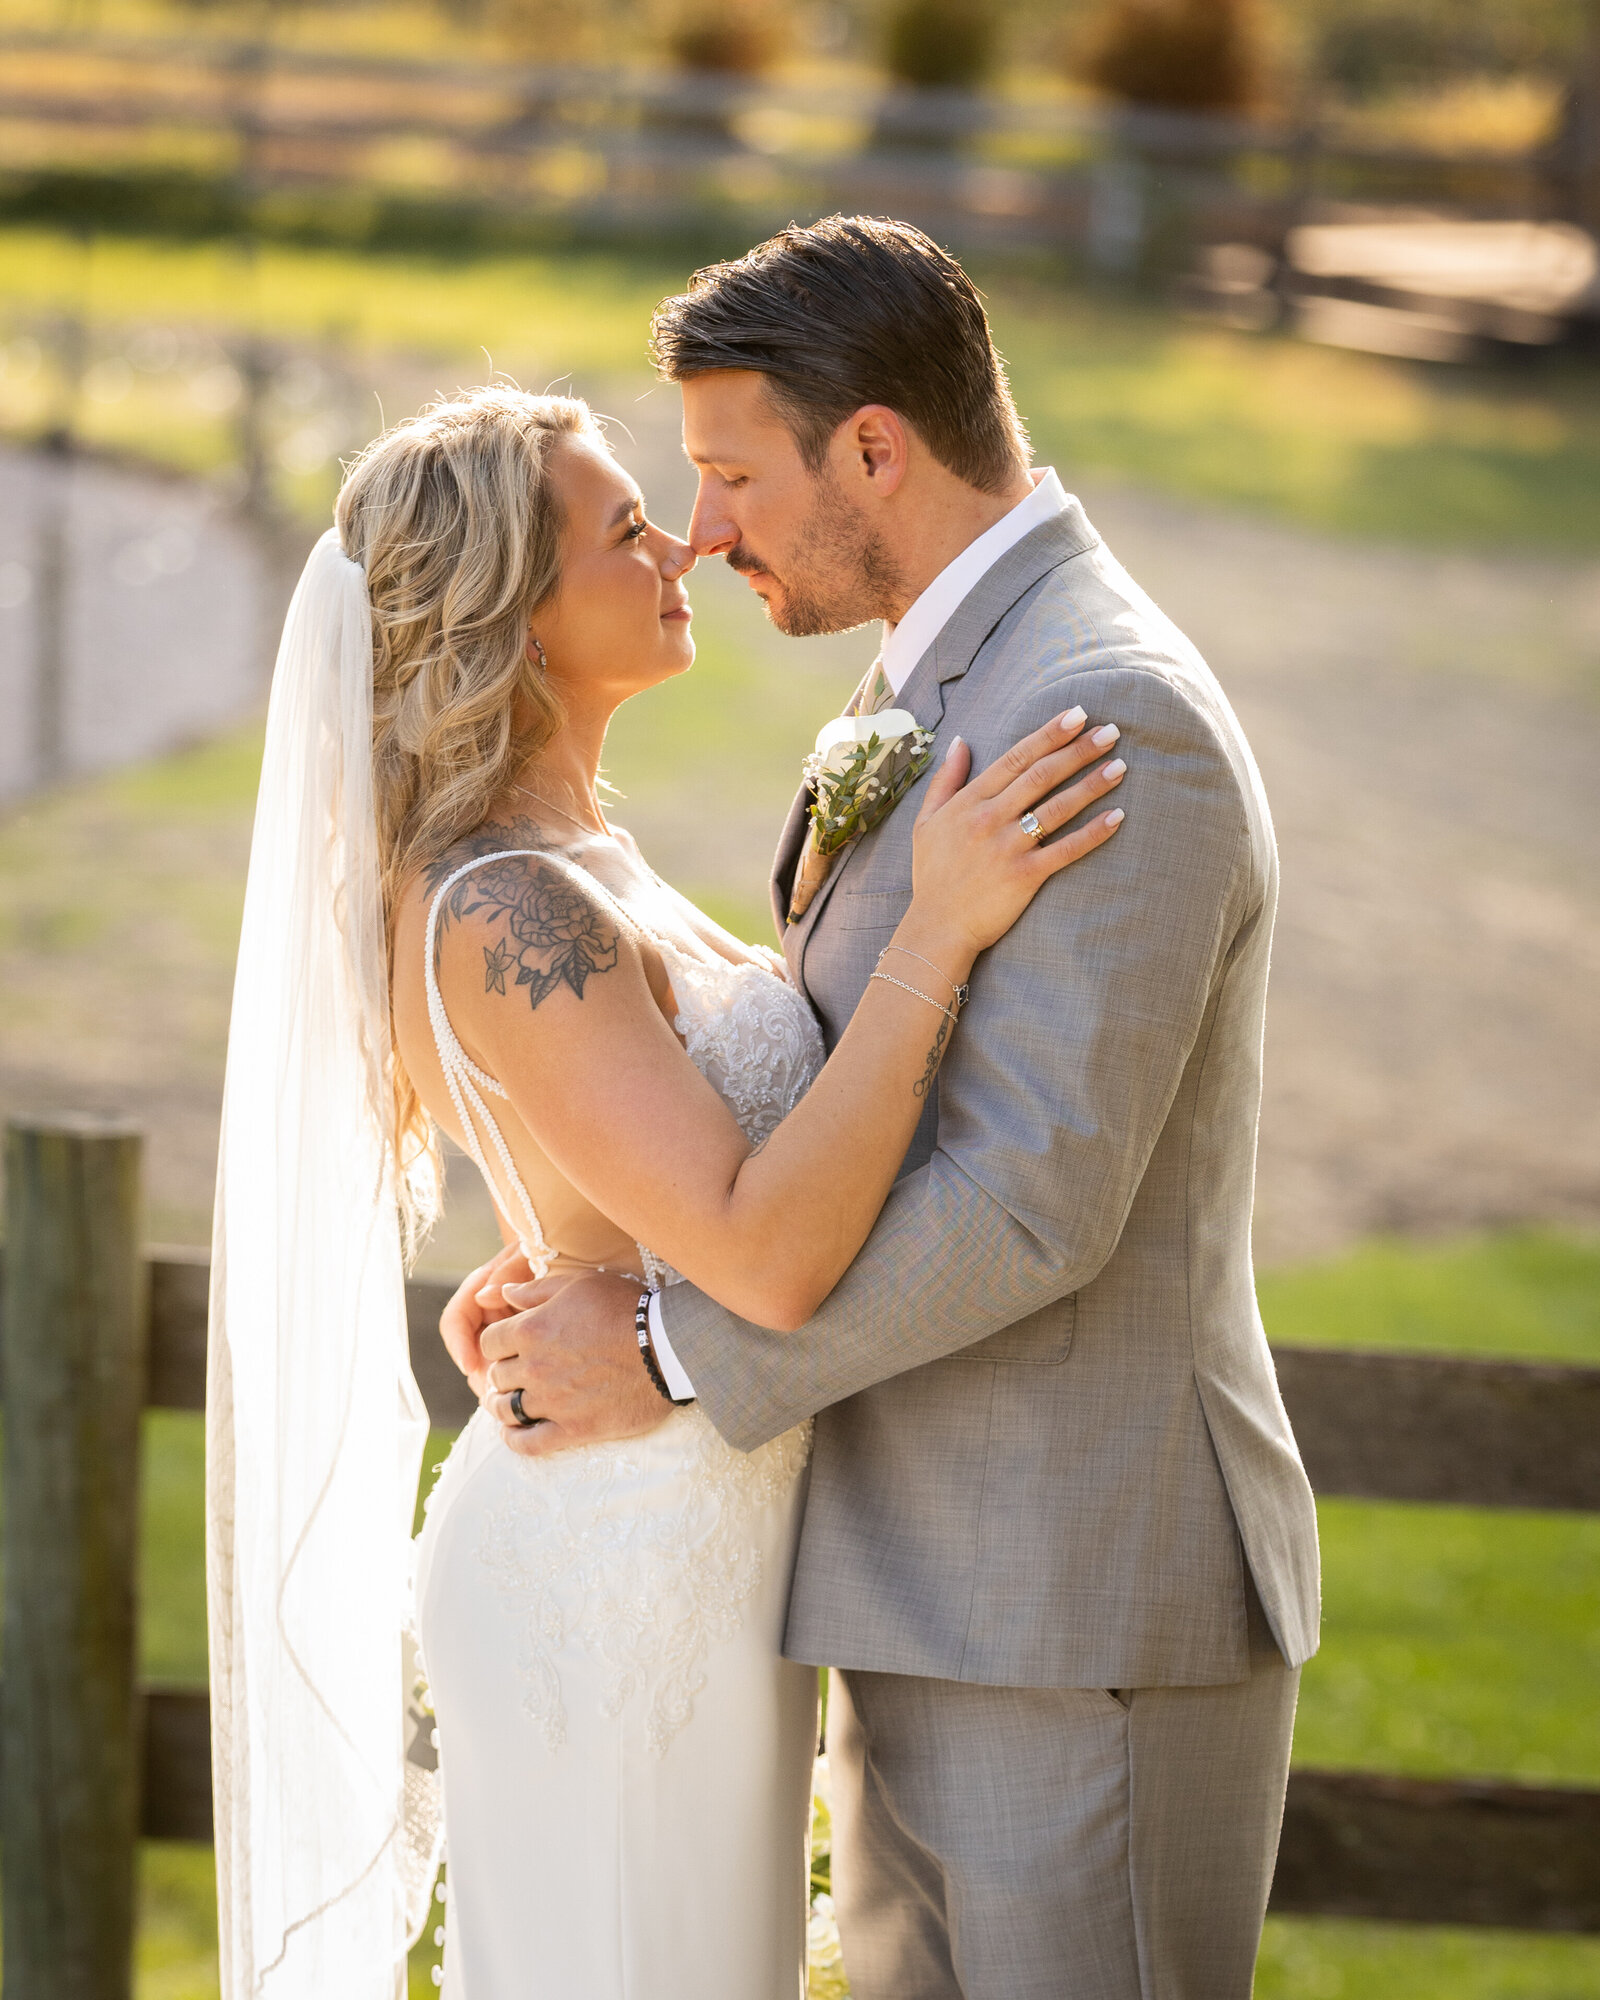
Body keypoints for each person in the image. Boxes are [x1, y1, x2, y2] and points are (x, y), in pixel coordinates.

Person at [453, 215, 1322, 1999]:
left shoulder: (1101, 713)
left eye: (728, 477)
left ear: (873, 449)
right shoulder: (934, 676)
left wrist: (675, 1354)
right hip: (915, 1593)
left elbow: (1032, 1201)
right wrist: (582, 1247)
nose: (702, 533)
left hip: (1077, 1619)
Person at [205, 377, 1126, 1998]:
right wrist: (939, 923)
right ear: (516, 613)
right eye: (627, 531)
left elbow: (635, 1195)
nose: (685, 546)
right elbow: (766, 1260)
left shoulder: (577, 857)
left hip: (700, 1547)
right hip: (608, 1577)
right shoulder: (503, 907)